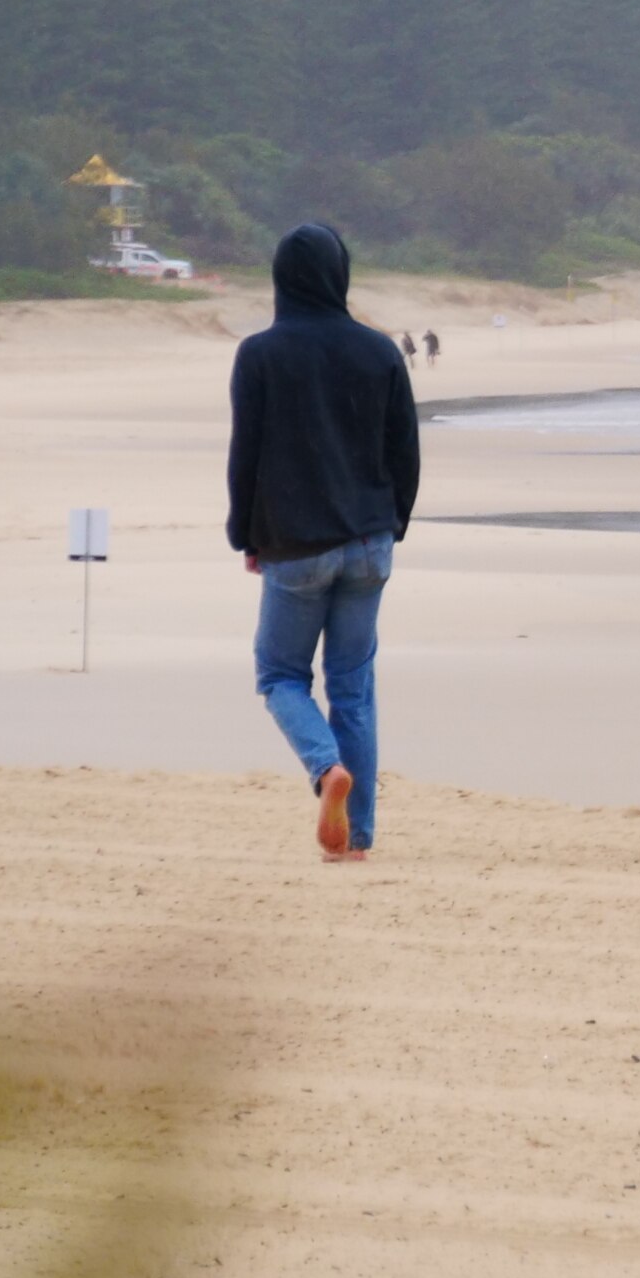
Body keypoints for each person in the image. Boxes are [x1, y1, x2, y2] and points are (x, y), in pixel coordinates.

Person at [227, 224, 420, 861]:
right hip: (369, 541)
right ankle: (357, 838)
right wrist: (393, 524)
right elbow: (405, 453)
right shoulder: (379, 351)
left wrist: (244, 534)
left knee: (281, 674)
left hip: (295, 543)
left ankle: (323, 770)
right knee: (353, 685)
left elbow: (246, 456)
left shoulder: (259, 354)